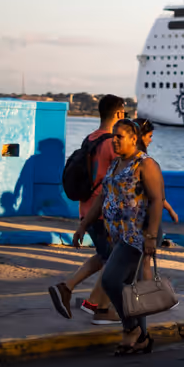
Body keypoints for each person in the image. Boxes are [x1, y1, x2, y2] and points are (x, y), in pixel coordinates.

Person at [72, 119, 165, 355]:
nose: (114, 140)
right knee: (127, 287)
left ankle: (131, 328)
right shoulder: (115, 165)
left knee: (110, 280)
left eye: (119, 136)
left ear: (134, 138)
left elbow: (156, 200)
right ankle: (142, 337)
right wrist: (84, 226)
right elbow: (102, 198)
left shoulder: (146, 164)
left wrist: (152, 236)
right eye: (113, 136)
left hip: (138, 235)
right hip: (118, 235)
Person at [49, 94, 124, 323]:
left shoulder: (90, 139)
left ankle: (67, 287)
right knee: (116, 263)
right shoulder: (113, 143)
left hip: (86, 209)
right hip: (104, 212)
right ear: (119, 114)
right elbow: (122, 177)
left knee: (103, 257)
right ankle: (98, 308)